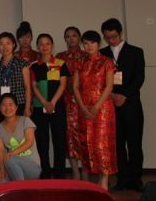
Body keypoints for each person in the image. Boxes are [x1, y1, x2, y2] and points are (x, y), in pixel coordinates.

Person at [99, 18, 145, 192]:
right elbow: (99, 81)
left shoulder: (136, 52)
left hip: (131, 103)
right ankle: (122, 180)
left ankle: (136, 179)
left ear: (120, 33)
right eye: (107, 37)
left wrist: (124, 95)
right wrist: (112, 95)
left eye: (114, 36)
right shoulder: (102, 54)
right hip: (110, 105)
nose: (111, 40)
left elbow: (139, 78)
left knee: (134, 143)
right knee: (117, 144)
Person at [74, 30, 117, 190]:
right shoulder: (80, 62)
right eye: (85, 43)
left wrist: (96, 106)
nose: (89, 46)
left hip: (103, 109)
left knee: (102, 145)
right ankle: (90, 179)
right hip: (84, 108)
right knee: (86, 143)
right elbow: (75, 87)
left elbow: (109, 86)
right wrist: (83, 107)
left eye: (92, 42)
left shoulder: (106, 61)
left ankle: (104, 180)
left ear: (98, 43)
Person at [29, 33, 69, 179]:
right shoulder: (33, 66)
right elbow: (34, 86)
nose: (44, 46)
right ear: (37, 46)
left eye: (47, 43)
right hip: (39, 107)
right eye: (41, 44)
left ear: (52, 46)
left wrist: (52, 102)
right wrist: (45, 103)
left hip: (57, 107)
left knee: (59, 141)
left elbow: (63, 84)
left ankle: (59, 174)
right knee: (42, 141)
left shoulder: (60, 63)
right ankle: (45, 172)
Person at [56, 25, 87, 180]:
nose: (71, 39)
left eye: (74, 35)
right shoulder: (59, 57)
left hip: (84, 102)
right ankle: (75, 172)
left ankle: (86, 172)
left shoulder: (87, 55)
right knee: (69, 137)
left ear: (79, 37)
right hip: (66, 102)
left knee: (85, 137)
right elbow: (55, 80)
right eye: (67, 36)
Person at [0, 94, 40, 184]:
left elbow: (29, 142)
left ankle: (20, 189)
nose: (7, 108)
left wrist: (12, 153)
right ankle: (20, 185)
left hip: (32, 166)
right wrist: (2, 170)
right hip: (11, 165)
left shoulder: (25, 120)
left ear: (16, 107)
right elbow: (0, 150)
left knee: (9, 159)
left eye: (10, 104)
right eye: (4, 105)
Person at [0, 32, 31, 116]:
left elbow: (27, 87)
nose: (5, 47)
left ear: (13, 44)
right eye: (1, 44)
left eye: (8, 43)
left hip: (19, 103)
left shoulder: (22, 63)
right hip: (3, 106)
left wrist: (27, 108)